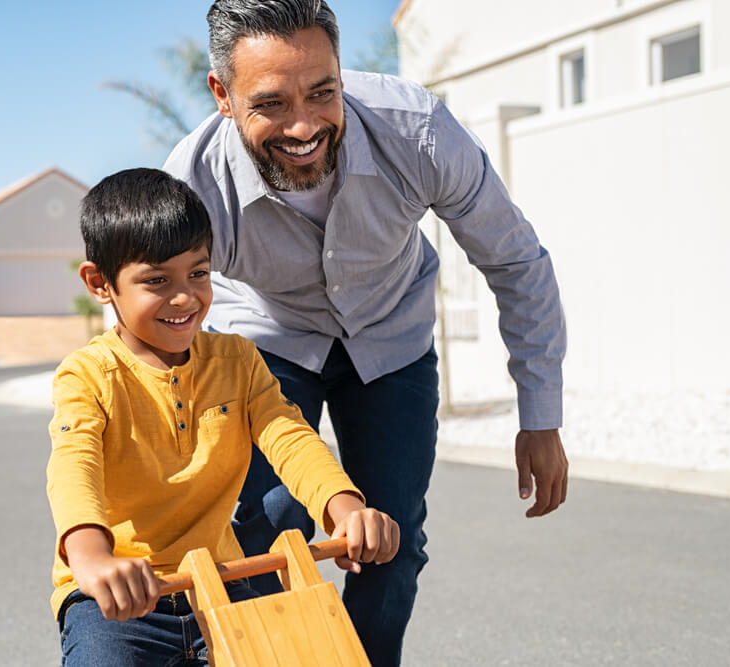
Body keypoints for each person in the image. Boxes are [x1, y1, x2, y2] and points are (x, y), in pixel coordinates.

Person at [163, 1, 569, 664]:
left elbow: (515, 258)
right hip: (266, 339)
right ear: (222, 95)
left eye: (322, 91)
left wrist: (541, 415)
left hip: (391, 333)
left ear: (341, 72)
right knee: (266, 523)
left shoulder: (418, 132)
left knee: (394, 538)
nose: (304, 125)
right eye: (271, 102)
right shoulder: (193, 186)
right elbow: (154, 328)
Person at [47, 167, 401, 666]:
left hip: (220, 580)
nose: (185, 297)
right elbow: (73, 465)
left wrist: (346, 509)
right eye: (156, 281)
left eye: (198, 272)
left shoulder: (236, 361)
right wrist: (90, 557)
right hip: (119, 600)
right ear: (100, 283)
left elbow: (290, 437)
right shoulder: (87, 375)